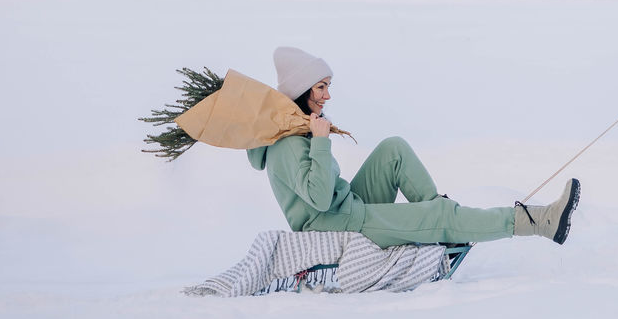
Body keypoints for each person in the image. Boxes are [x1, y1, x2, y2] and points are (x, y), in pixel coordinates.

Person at [247, 46, 580, 250]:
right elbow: (317, 199)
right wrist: (320, 144)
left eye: (328, 87)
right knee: (439, 215)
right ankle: (540, 222)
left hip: (346, 208)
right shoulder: (287, 143)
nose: (327, 96)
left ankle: (444, 221)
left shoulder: (297, 128)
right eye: (321, 88)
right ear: (302, 89)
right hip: (336, 225)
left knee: (394, 149)